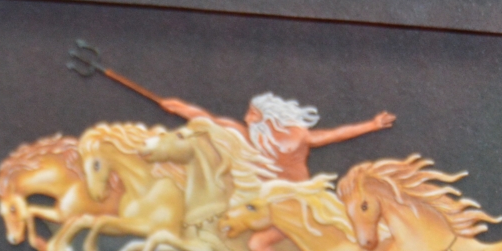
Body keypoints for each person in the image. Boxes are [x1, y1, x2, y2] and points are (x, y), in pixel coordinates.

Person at [158, 90, 395, 182]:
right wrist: (179, 107)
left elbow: (334, 134)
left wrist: (372, 125)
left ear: (269, 117)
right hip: (263, 195)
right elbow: (209, 119)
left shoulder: (298, 136)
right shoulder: (248, 136)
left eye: (253, 114)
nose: (247, 118)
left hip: (297, 192)